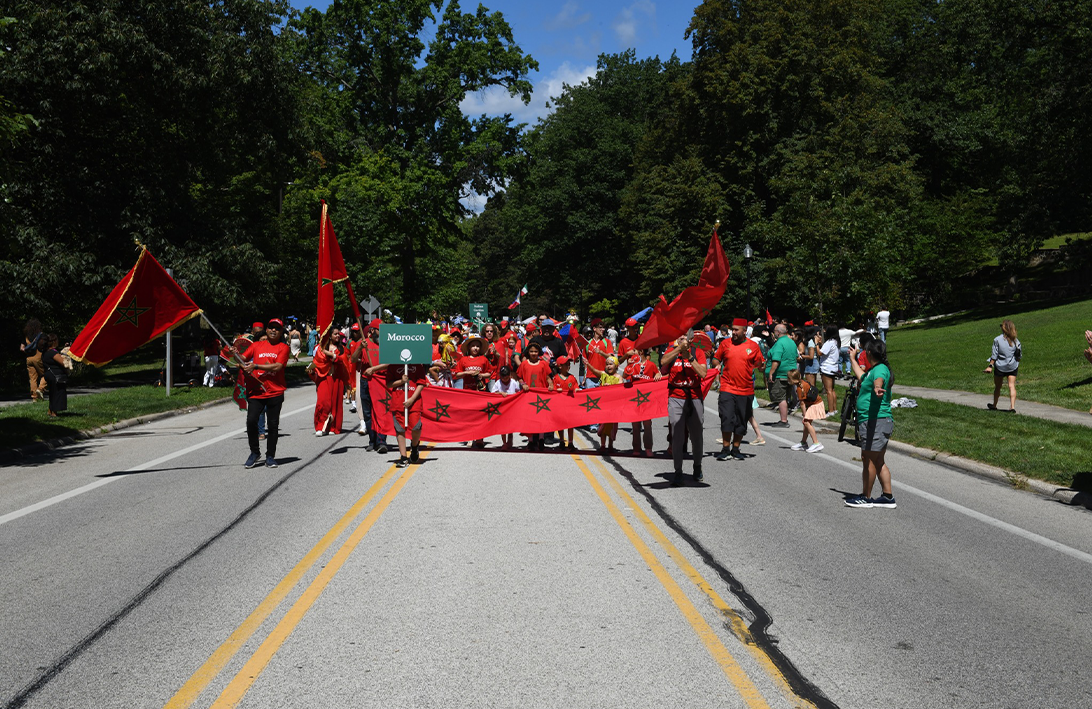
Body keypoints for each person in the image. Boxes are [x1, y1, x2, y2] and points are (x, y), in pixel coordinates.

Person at [232, 317, 289, 469]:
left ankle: (270, 456)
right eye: (271, 327)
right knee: (251, 421)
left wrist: (256, 365)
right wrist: (235, 353)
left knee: (273, 424)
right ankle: (254, 452)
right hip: (256, 391)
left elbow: (278, 366)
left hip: (275, 391)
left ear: (281, 331)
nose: (273, 330)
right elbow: (242, 359)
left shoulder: (283, 347)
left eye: (277, 328)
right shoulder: (257, 345)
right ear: (267, 329)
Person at [845, 339, 896, 509]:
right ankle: (887, 497)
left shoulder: (880, 369)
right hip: (875, 420)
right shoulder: (873, 370)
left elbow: (879, 380)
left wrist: (877, 388)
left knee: (869, 460)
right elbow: (862, 376)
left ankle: (866, 497)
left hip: (876, 420)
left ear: (867, 353)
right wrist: (852, 359)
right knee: (877, 459)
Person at [713, 318, 766, 461]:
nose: (733, 332)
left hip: (746, 390)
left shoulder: (753, 346)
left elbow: (759, 365)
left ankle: (736, 449)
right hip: (727, 387)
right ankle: (725, 449)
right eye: (732, 329)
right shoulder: (725, 344)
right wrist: (716, 364)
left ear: (744, 331)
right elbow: (716, 359)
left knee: (741, 421)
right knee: (726, 417)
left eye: (736, 330)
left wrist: (762, 367)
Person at [661, 333, 708, 485]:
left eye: (684, 337)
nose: (681, 339)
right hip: (676, 396)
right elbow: (663, 362)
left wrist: (689, 357)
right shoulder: (671, 351)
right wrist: (678, 350)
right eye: (679, 337)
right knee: (677, 434)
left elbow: (702, 373)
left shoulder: (697, 352)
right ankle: (678, 471)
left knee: (697, 435)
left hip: (694, 396)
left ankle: (697, 466)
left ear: (691, 339)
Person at [365, 360, 429, 468]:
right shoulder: (392, 366)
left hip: (414, 402)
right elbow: (389, 384)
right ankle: (403, 457)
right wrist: (401, 381)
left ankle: (414, 446)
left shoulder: (418, 365)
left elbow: (421, 383)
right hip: (398, 401)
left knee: (416, 426)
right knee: (400, 429)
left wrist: (412, 399)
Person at [354, 320, 389, 454]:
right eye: (380, 330)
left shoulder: (386, 344)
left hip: (381, 381)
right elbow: (352, 360)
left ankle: (382, 441)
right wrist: (360, 349)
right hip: (366, 382)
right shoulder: (363, 343)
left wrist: (374, 369)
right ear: (373, 330)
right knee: (368, 413)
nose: (383, 333)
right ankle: (372, 440)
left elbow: (390, 363)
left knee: (381, 411)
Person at [516, 342, 553, 450]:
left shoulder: (543, 364)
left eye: (535, 351)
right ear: (528, 352)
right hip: (528, 395)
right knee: (529, 418)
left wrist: (551, 385)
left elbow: (547, 377)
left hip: (541, 394)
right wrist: (523, 384)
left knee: (541, 417)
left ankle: (541, 439)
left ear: (539, 353)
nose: (533, 353)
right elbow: (519, 377)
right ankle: (531, 440)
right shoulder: (524, 364)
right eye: (531, 351)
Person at [623, 347, 660, 457]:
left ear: (641, 351)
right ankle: (636, 448)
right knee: (635, 425)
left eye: (634, 351)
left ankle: (648, 448)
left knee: (647, 425)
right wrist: (629, 365)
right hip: (635, 398)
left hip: (647, 399)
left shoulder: (651, 365)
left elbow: (657, 375)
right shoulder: (634, 365)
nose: (632, 353)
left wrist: (658, 374)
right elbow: (625, 376)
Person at [583, 354, 622, 453]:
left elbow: (621, 387)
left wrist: (612, 386)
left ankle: (610, 445)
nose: (609, 366)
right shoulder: (603, 375)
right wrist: (588, 364)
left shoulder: (618, 377)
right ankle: (603, 445)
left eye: (611, 364)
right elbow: (594, 371)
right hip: (603, 405)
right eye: (607, 364)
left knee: (612, 427)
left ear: (616, 366)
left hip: (613, 407)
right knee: (603, 426)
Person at [985, 319, 1021, 413]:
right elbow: (1019, 356)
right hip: (1012, 366)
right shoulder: (1016, 341)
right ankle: (1012, 407)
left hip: (1000, 367)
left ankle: (994, 405)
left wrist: (990, 366)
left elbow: (994, 355)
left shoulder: (997, 339)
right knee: (1011, 386)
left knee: (998, 386)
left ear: (1004, 328)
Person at [765, 324, 797, 427]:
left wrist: (771, 372)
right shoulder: (791, 342)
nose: (773, 333)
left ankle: (784, 421)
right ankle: (784, 419)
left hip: (780, 374)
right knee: (785, 396)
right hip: (790, 373)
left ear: (778, 332)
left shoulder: (779, 343)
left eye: (774, 331)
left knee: (780, 398)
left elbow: (776, 359)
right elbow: (796, 356)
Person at [786, 370, 825, 452]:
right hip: (815, 403)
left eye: (789, 378)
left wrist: (804, 415)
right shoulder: (803, 382)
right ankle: (803, 443)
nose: (788, 380)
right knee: (807, 424)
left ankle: (816, 443)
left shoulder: (800, 389)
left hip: (815, 404)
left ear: (793, 380)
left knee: (806, 422)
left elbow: (802, 404)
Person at [490, 365, 521, 450]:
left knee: (510, 425)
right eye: (503, 377)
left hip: (511, 407)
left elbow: (518, 393)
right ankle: (504, 443)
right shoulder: (498, 383)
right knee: (502, 426)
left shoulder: (514, 382)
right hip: (502, 407)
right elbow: (492, 394)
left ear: (510, 375)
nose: (505, 379)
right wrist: (500, 393)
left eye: (506, 377)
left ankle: (510, 439)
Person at [552, 356, 579, 451]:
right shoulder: (556, 378)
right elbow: (552, 390)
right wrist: (556, 390)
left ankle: (570, 442)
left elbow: (576, 387)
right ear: (560, 366)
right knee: (560, 424)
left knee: (570, 424)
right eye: (566, 364)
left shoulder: (572, 378)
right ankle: (561, 441)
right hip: (559, 405)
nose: (568, 366)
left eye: (569, 364)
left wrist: (577, 390)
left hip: (569, 405)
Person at [39, 333, 68, 417]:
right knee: (58, 394)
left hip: (49, 374)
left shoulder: (45, 352)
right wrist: (67, 357)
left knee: (52, 393)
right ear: (54, 341)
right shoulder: (53, 353)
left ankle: (50, 410)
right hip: (56, 376)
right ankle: (54, 413)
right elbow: (63, 363)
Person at [21, 318, 47, 402]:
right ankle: (41, 389)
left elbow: (22, 348)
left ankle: (34, 398)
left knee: (32, 378)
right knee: (46, 374)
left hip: (29, 358)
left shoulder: (26, 337)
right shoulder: (41, 335)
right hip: (38, 357)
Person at [818, 326, 840, 416]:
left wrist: (816, 344)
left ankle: (830, 411)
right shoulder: (836, 342)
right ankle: (834, 409)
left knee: (828, 391)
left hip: (827, 368)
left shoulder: (829, 342)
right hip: (833, 367)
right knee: (832, 389)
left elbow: (820, 353)